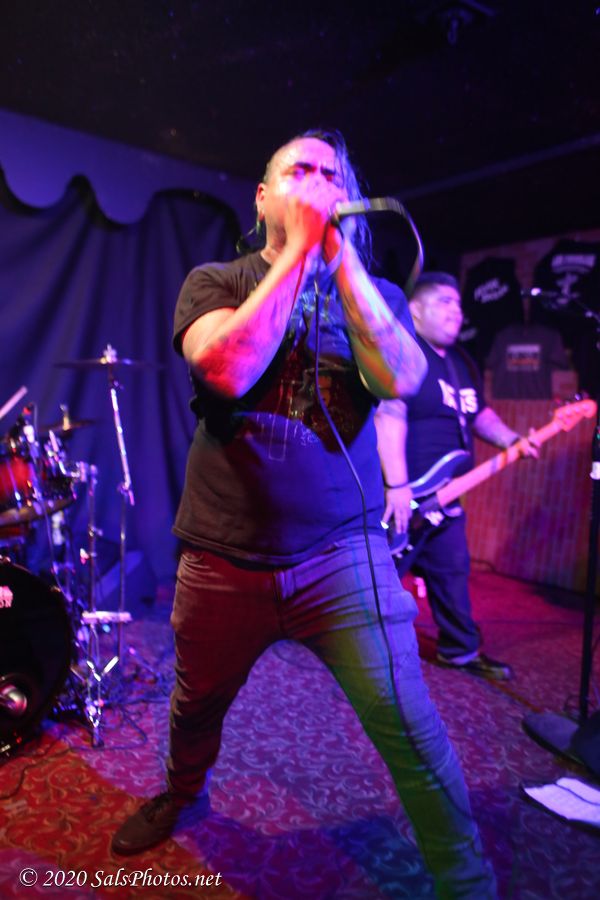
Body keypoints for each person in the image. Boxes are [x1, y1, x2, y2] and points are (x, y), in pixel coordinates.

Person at [111, 133, 496, 897]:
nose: (319, 185)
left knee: (410, 725)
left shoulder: (375, 293)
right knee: (195, 706)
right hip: (222, 556)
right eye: (300, 172)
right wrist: (296, 254)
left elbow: (401, 378)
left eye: (332, 176)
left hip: (343, 558)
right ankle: (181, 793)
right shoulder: (216, 280)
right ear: (263, 198)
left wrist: (339, 259)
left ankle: (468, 879)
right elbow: (225, 370)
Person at [375, 272, 538, 681]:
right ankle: (341, 643)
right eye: (444, 302)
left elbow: (479, 412)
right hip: (405, 493)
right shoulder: (405, 352)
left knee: (452, 570)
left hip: (447, 496)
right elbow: (388, 415)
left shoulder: (462, 361)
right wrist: (397, 485)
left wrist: (511, 439)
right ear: (415, 310)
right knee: (381, 573)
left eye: (458, 304)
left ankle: (460, 651)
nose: (456, 311)